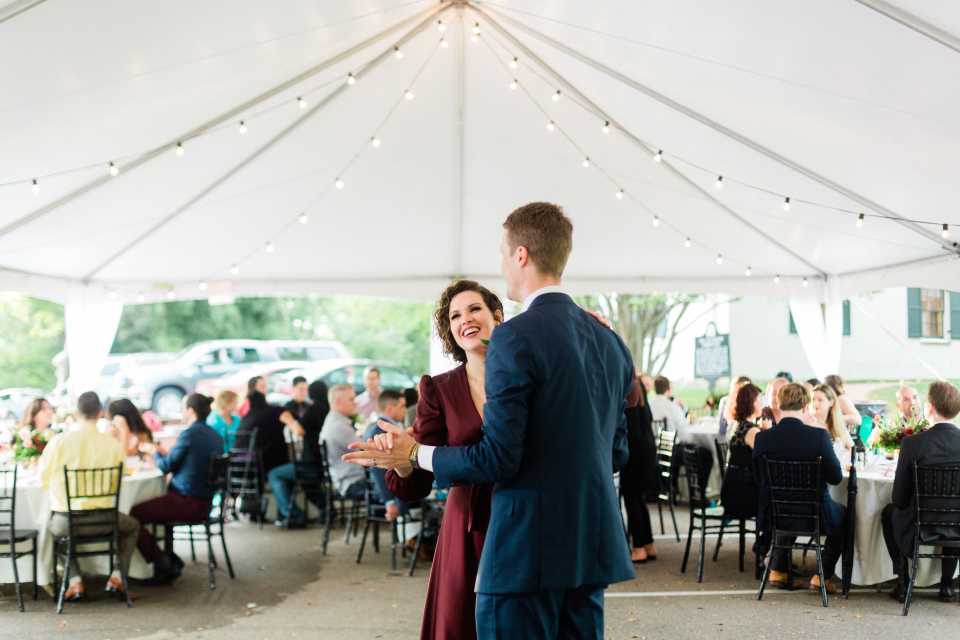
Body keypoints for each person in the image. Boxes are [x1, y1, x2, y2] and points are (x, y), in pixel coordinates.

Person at [346, 202, 635, 638]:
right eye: (455, 315)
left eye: (502, 254)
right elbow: (617, 452)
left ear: (521, 254)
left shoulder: (514, 337)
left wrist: (416, 452)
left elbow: (499, 457)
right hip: (588, 546)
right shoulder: (609, 340)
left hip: (521, 547)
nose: (502, 265)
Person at [38, 391, 140, 601]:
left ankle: (75, 581)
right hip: (106, 520)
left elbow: (42, 479)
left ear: (76, 412)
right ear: (100, 413)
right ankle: (118, 577)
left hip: (68, 521)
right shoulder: (112, 444)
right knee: (132, 527)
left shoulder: (59, 442)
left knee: (54, 529)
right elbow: (121, 478)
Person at [753, 383, 846, 593]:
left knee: (786, 502)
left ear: (778, 404)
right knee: (845, 516)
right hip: (816, 515)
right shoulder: (818, 437)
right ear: (805, 406)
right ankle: (822, 575)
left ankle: (778, 570)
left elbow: (759, 478)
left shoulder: (762, 438)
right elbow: (836, 478)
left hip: (775, 515)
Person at [881, 381, 960, 603]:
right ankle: (947, 585)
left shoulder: (913, 444)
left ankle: (903, 581)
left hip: (921, 522)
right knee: (953, 515)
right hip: (957, 523)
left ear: (930, 407)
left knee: (888, 513)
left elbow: (899, 498)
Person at [134, 393, 224, 583]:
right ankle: (169, 558)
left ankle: (163, 563)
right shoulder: (215, 435)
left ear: (190, 411)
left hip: (187, 502)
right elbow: (186, 462)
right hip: (205, 502)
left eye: (183, 408)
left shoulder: (189, 434)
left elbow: (166, 467)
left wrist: (154, 452)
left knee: (133, 515)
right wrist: (163, 454)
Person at [268, 379, 329, 528]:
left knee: (275, 475)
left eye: (305, 389)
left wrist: (288, 419)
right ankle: (324, 510)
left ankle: (293, 515)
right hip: (321, 462)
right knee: (298, 479)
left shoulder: (314, 409)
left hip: (309, 463)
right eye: (300, 389)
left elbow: (299, 430)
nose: (303, 392)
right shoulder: (326, 409)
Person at [720, 383, 765, 574]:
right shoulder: (752, 431)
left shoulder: (738, 425)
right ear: (752, 403)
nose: (762, 404)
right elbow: (765, 460)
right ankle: (767, 553)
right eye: (759, 400)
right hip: (742, 496)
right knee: (776, 506)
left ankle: (768, 550)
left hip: (731, 490)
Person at [621, 372, 658, 564]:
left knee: (631, 498)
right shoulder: (640, 389)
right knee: (639, 499)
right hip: (648, 451)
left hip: (634, 452)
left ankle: (638, 548)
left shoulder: (628, 389)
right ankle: (648, 544)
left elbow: (628, 430)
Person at [362, 390, 408, 522]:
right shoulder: (381, 432)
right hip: (387, 491)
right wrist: (389, 501)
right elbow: (377, 469)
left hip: (384, 486)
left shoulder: (373, 426)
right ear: (389, 409)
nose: (405, 410)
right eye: (402, 406)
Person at [235, 390, 303, 474]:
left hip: (240, 463)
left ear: (249, 402)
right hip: (265, 463)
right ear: (264, 399)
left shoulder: (245, 419)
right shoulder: (276, 411)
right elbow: (298, 430)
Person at [321, 384, 366, 501]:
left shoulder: (334, 421)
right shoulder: (338, 426)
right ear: (338, 402)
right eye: (351, 399)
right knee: (395, 482)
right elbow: (366, 450)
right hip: (353, 482)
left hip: (347, 479)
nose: (355, 402)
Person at [810, 384, 854, 461]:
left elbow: (851, 448)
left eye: (820, 400)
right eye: (813, 400)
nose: (815, 403)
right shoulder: (807, 423)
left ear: (831, 402)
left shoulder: (837, 424)